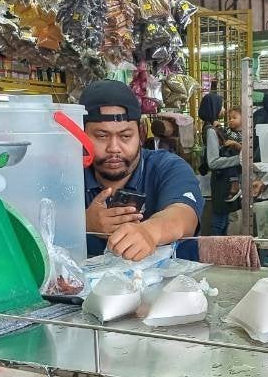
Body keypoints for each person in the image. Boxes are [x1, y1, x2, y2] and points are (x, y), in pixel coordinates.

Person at [81, 80, 203, 261]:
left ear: (141, 133)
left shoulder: (168, 167)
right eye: (101, 136)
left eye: (125, 136)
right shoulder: (68, 175)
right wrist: (83, 222)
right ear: (81, 135)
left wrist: (149, 231)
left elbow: (184, 214)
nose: (114, 148)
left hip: (173, 287)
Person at [198, 94, 242, 236]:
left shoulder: (212, 128)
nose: (223, 109)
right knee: (220, 220)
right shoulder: (211, 130)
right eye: (221, 106)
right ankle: (215, 251)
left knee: (222, 219)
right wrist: (238, 159)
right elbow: (213, 161)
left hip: (222, 180)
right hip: (221, 181)